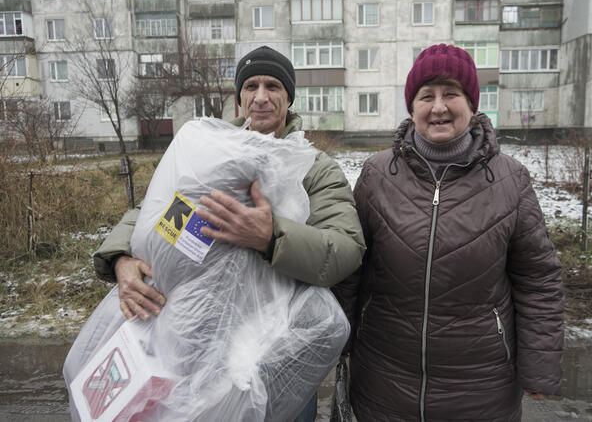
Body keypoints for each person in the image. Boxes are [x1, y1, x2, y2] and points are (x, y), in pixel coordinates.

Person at [93, 45, 366, 422]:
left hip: (276, 352)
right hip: (195, 340)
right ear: (238, 98)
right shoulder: (210, 151)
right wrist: (121, 258)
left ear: (289, 97)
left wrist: (272, 238)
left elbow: (345, 249)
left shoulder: (315, 168)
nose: (261, 97)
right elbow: (154, 210)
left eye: (273, 86)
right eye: (250, 86)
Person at [332, 44, 564, 421]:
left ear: (472, 105)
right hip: (383, 380)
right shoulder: (377, 175)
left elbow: (538, 279)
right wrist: (334, 343)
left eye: (451, 94)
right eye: (427, 96)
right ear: (412, 107)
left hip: (480, 388)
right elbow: (351, 267)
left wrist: (540, 367)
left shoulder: (510, 180)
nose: (438, 107)